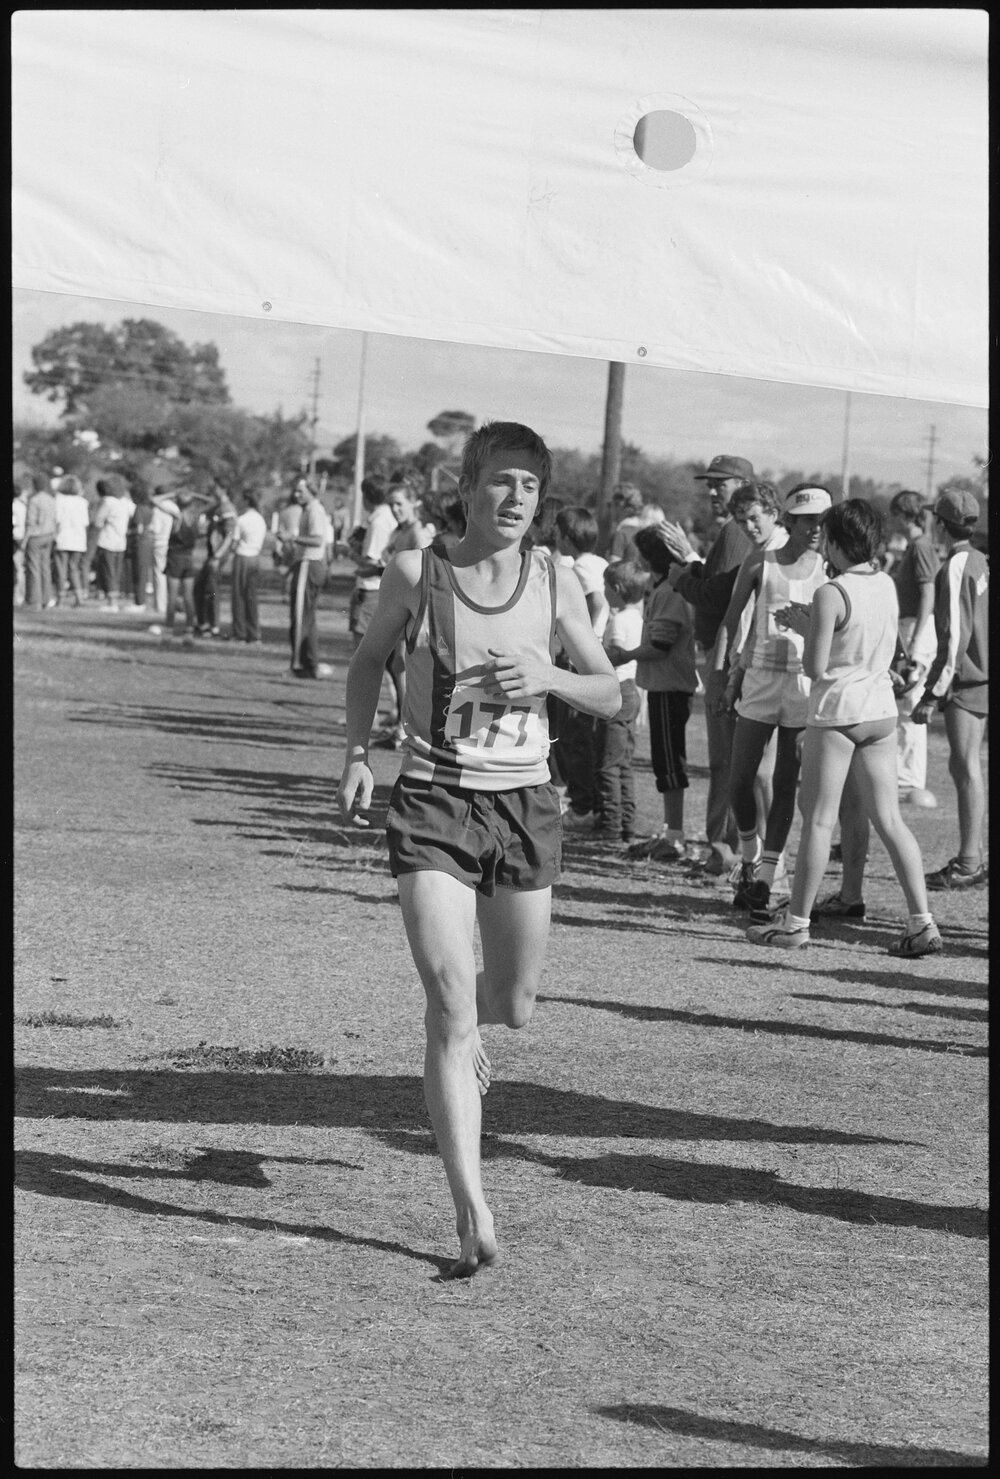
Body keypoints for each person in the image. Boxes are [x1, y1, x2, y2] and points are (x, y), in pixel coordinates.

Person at [336, 420, 619, 1277]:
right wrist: (358, 752)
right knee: (452, 1005)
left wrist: (552, 678)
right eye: (500, 481)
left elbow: (614, 695)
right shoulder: (420, 571)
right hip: (432, 799)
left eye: (530, 486)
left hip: (525, 802)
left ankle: (466, 1030)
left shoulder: (556, 578)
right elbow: (366, 661)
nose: (516, 498)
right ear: (466, 487)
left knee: (513, 1001)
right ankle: (472, 1210)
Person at [747, 499, 942, 957]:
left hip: (837, 711)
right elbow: (875, 641)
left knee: (817, 819)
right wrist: (816, 624)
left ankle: (795, 924)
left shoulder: (830, 591)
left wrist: (803, 627)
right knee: (890, 819)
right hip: (880, 711)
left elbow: (817, 666)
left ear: (835, 542)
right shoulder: (886, 584)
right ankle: (922, 922)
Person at [719, 484, 831, 913]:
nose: (816, 529)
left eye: (822, 521)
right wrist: (723, 675)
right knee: (740, 779)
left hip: (803, 686)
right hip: (761, 680)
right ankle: (750, 856)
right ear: (791, 520)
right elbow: (731, 622)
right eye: (807, 521)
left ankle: (767, 876)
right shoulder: (761, 562)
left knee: (786, 784)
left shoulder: (829, 569)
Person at [657, 454, 755, 873]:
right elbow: (723, 585)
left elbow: (717, 596)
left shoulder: (735, 530)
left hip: (727, 655)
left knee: (726, 760)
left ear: (744, 485)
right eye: (709, 484)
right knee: (732, 760)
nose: (712, 491)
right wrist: (693, 561)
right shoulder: (735, 531)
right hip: (730, 653)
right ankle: (730, 849)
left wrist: (683, 577)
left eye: (722, 483)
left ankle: (724, 851)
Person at [912, 488, 989, 890]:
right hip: (981, 676)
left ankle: (969, 860)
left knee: (965, 767)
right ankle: (971, 857)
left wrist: (931, 693)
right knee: (966, 767)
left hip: (969, 680)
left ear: (940, 523)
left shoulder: (957, 564)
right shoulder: (981, 560)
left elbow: (955, 638)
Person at [611, 524, 697, 859]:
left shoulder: (669, 592)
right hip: (662, 685)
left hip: (670, 685)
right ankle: (670, 830)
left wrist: (625, 655)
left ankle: (674, 835)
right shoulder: (660, 587)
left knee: (671, 763)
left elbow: (661, 644)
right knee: (664, 761)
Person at [553, 506, 610, 828]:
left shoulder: (581, 567)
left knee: (576, 735)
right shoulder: (599, 562)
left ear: (566, 537)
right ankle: (587, 802)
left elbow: (598, 601)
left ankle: (582, 806)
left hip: (582, 660)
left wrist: (585, 635)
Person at [888, 490, 941, 808]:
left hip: (916, 629)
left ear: (904, 515)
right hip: (908, 627)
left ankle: (909, 780)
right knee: (903, 706)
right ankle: (901, 774)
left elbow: (927, 596)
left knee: (910, 706)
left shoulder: (921, 547)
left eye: (895, 514)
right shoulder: (913, 547)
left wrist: (916, 643)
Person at [594, 559, 646, 842]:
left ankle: (611, 825)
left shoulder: (619, 621)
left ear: (616, 588)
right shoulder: (636, 618)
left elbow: (612, 656)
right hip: (631, 691)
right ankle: (627, 823)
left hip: (617, 691)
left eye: (605, 586)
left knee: (609, 763)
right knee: (623, 761)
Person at [288, 475, 333, 679]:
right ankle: (311, 662)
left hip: (309, 564)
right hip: (308, 563)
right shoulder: (310, 509)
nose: (296, 495)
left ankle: (298, 663)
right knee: (308, 617)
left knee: (300, 617)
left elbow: (317, 540)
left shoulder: (314, 509)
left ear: (311, 491)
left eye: (301, 491)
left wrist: (293, 538)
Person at [151, 486, 209, 638]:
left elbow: (154, 500)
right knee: (188, 597)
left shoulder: (177, 516)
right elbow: (213, 502)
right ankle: (189, 629)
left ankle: (169, 628)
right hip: (189, 559)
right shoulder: (196, 516)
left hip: (174, 559)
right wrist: (195, 493)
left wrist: (172, 493)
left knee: (172, 596)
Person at [194, 482, 238, 636]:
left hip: (217, 556)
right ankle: (203, 623)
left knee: (211, 590)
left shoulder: (226, 509)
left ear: (224, 489)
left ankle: (213, 626)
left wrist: (218, 556)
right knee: (200, 588)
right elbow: (203, 508)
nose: (213, 490)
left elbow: (229, 535)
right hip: (212, 554)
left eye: (216, 487)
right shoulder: (218, 506)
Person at [92, 474, 136, 612]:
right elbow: (135, 513)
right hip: (121, 542)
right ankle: (114, 598)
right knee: (116, 572)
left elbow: (98, 520)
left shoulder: (108, 502)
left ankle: (112, 603)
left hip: (108, 541)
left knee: (108, 571)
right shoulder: (125, 503)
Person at [229, 489, 268, 644]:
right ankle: (254, 633)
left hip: (242, 557)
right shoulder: (260, 519)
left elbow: (234, 543)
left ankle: (240, 632)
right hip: (255, 558)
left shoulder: (242, 519)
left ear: (246, 501)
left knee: (238, 596)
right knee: (251, 597)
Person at [52, 475, 90, 607]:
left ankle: (60, 598)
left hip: (63, 537)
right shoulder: (83, 502)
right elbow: (85, 522)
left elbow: (57, 520)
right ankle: (79, 597)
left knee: (61, 569)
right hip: (79, 539)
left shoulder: (59, 501)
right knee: (74, 569)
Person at [23, 472, 59, 610]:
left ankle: (34, 601)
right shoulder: (51, 499)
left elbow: (30, 523)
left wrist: (24, 542)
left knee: (33, 568)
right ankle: (46, 599)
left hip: (36, 536)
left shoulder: (34, 500)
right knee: (45, 568)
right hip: (49, 535)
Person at [606, 483, 645, 560]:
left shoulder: (621, 535)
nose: (610, 509)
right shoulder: (644, 533)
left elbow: (615, 567)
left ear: (620, 506)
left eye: (611, 505)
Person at [13, 480, 30, 607]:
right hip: (21, 537)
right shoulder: (22, 505)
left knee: (18, 568)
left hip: (17, 538)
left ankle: (19, 595)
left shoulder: (16, 506)